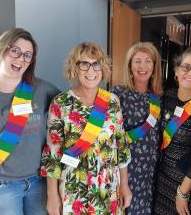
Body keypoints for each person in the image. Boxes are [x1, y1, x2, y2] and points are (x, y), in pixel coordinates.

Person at [41, 42, 132, 215]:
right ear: (74, 68)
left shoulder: (112, 101)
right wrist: (52, 196)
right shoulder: (60, 103)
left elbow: (121, 147)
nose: (91, 70)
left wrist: (125, 185)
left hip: (108, 189)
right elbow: (52, 152)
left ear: (102, 67)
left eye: (96, 63)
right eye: (84, 64)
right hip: (74, 189)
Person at [0, 28, 60, 215]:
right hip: (0, 186)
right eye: (15, 50)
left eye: (27, 55)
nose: (21, 58)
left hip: (39, 182)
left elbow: (70, 109)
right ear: (1, 50)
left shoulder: (41, 89)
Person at [153, 46, 191, 215]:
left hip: (185, 185)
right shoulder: (167, 96)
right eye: (186, 67)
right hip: (161, 178)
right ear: (176, 70)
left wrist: (183, 192)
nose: (190, 73)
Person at [111, 42, 163, 215]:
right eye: (137, 61)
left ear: (154, 66)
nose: (143, 66)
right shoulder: (118, 94)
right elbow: (112, 136)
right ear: (130, 65)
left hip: (151, 171)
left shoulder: (157, 98)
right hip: (127, 169)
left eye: (148, 61)